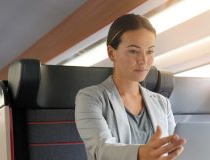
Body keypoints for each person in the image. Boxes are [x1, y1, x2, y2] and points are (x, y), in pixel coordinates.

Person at [75, 14, 186, 160]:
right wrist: (141, 154)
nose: (144, 60)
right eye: (133, 51)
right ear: (111, 53)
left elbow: (172, 150)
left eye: (150, 51)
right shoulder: (90, 98)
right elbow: (100, 149)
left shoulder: (162, 103)